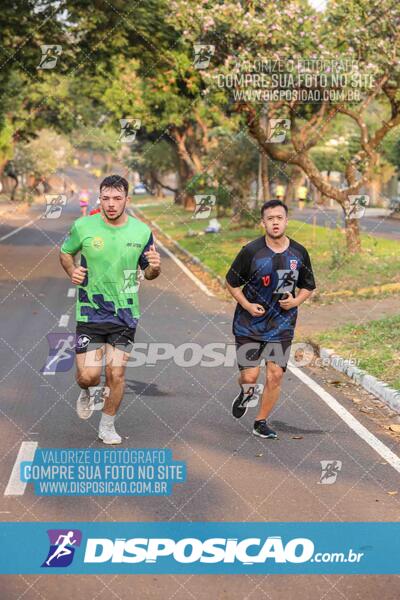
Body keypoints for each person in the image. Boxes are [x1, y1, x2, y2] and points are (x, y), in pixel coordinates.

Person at [59, 174, 161, 444]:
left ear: (127, 199)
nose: (111, 204)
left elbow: (149, 272)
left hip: (125, 315)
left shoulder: (141, 232)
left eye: (117, 198)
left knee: (116, 373)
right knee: (88, 375)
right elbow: (65, 252)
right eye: (106, 198)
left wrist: (156, 267)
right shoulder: (83, 226)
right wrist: (72, 271)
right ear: (99, 200)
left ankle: (107, 425)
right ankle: (87, 390)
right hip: (90, 312)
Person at [225, 199, 316, 439]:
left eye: (279, 218)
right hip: (248, 325)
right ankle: (246, 393)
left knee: (275, 375)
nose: (275, 222)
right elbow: (232, 283)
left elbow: (308, 286)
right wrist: (246, 304)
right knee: (250, 377)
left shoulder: (299, 252)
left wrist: (295, 302)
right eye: (270, 219)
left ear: (286, 220)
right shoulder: (251, 251)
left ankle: (260, 422)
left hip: (281, 325)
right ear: (263, 222)